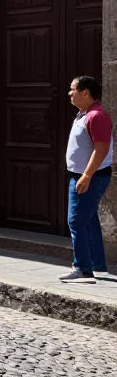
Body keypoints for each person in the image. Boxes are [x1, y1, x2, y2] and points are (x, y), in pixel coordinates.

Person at [61, 75, 113, 284]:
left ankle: (83, 270)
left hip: (90, 176)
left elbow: (101, 148)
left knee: (76, 220)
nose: (69, 93)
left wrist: (86, 175)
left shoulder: (97, 116)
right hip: (82, 175)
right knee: (89, 220)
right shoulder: (84, 114)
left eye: (72, 89)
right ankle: (97, 266)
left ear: (85, 93)